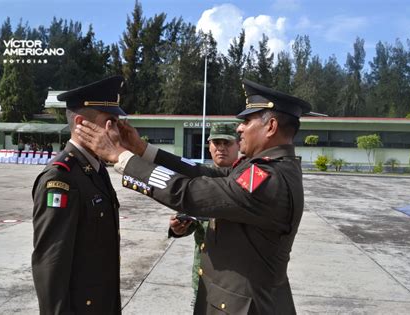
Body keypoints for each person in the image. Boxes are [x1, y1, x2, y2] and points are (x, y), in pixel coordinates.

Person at [76, 79, 311, 314]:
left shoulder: (269, 179)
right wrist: (142, 150)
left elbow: (192, 193)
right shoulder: (263, 167)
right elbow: (203, 172)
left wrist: (122, 158)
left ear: (270, 127)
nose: (239, 128)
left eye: (247, 121)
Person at [31, 76, 126, 315]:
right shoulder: (60, 179)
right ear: (82, 124)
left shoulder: (96, 168)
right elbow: (50, 266)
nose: (116, 132)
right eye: (110, 122)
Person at [169, 122, 240, 298]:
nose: (221, 148)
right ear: (209, 147)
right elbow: (194, 222)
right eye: (217, 143)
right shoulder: (199, 180)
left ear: (239, 145)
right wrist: (178, 227)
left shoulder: (247, 178)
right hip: (206, 272)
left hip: (239, 277)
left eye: (227, 143)